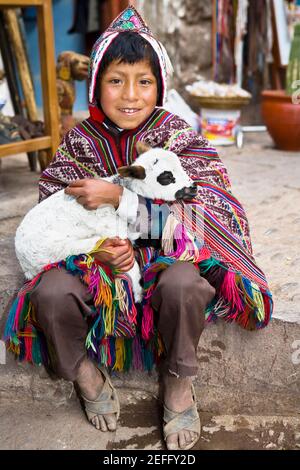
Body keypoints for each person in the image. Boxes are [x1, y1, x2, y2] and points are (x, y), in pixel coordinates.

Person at [4, 6, 273, 451]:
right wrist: (95, 252)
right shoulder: (79, 142)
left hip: (164, 262)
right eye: (115, 80)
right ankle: (84, 374)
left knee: (185, 285)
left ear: (159, 86)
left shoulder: (178, 136)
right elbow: (51, 219)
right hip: (101, 265)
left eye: (144, 81)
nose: (130, 95)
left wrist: (120, 199)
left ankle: (178, 381)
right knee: (49, 292)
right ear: (96, 85)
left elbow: (210, 216)